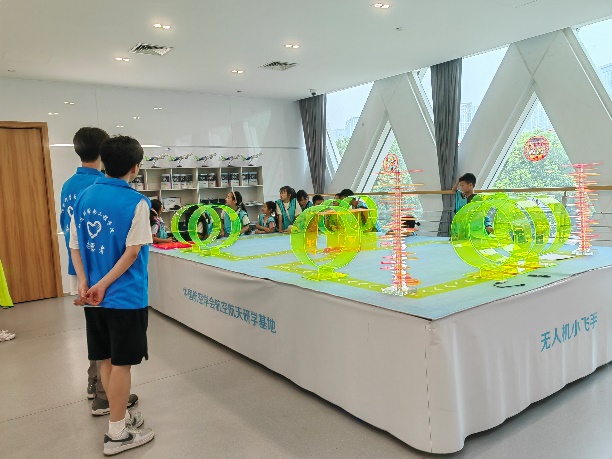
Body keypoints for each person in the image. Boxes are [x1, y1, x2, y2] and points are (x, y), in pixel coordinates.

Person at [70, 135, 154, 455]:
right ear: (135, 168)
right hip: (125, 297)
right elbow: (132, 253)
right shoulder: (137, 203)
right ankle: (117, 433)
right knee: (122, 364)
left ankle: (119, 416)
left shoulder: (84, 196)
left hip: (93, 298)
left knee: (105, 359)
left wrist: (85, 282)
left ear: (103, 162)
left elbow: (75, 246)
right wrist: (104, 284)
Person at [60, 127, 139, 416]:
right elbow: (127, 247)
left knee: (96, 328)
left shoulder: (69, 185)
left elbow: (70, 231)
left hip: (81, 266)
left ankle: (94, 384)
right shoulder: (102, 187)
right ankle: (107, 397)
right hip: (107, 273)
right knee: (111, 341)